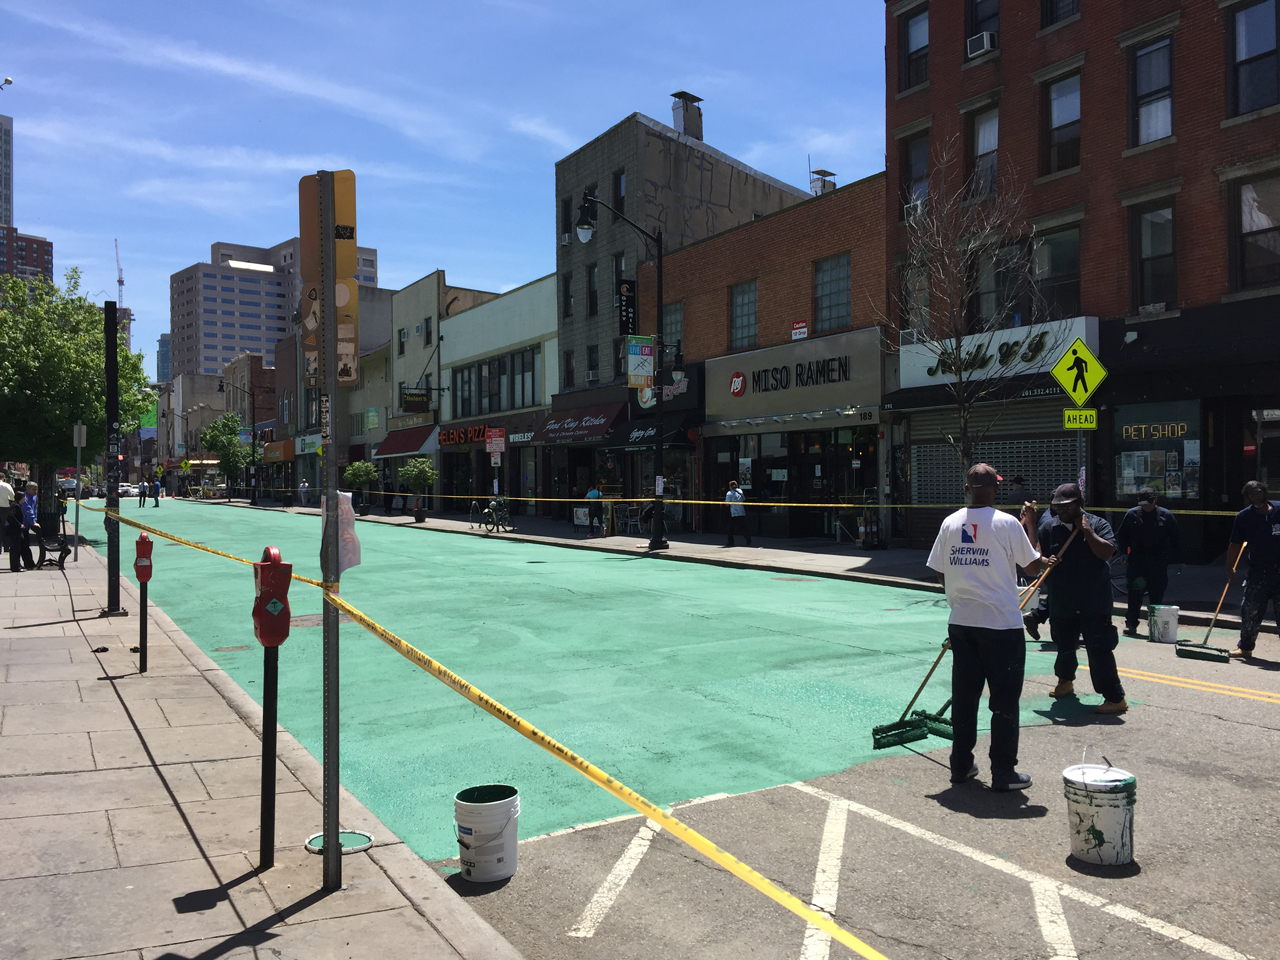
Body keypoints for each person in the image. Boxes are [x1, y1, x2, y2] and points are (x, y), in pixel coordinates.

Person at [927, 463, 1041, 790]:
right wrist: (1030, 526)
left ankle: (961, 766)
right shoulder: (1007, 524)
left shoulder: (950, 523)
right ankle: (1003, 772)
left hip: (962, 622)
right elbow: (1033, 567)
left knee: (965, 699)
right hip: (1001, 626)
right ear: (995, 489)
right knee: (1004, 702)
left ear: (967, 489)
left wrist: (962, 591)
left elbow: (940, 571)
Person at [1040, 483, 1128, 714]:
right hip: (1063, 601)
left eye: (1068, 506)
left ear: (1080, 503)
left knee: (1099, 651)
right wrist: (1044, 561)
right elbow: (1038, 555)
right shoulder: (1049, 528)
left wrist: (1087, 531)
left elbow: (1107, 552)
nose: (1062, 511)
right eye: (1058, 507)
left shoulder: (1099, 524)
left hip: (1093, 602)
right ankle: (1065, 682)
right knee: (1064, 647)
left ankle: (1115, 697)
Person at [1226, 480, 1280, 660]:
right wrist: (1230, 567)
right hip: (1258, 572)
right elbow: (1235, 544)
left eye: (1258, 492)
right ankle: (1246, 648)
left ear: (1265, 492)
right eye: (1251, 494)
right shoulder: (1244, 517)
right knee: (1250, 611)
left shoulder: (1279, 510)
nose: (1255, 497)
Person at [1116, 486, 1180, 637]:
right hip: (1137, 560)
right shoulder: (1132, 515)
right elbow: (1122, 536)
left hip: (1158, 560)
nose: (1146, 507)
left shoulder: (1166, 515)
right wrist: (1124, 552)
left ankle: (1156, 627)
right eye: (1143, 504)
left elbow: (1176, 539)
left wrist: (1178, 560)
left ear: (1155, 500)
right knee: (1135, 594)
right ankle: (1131, 624)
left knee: (1157, 594)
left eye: (1148, 504)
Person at [725, 480, 750, 547]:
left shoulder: (729, 493)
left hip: (734, 513)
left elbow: (727, 504)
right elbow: (743, 499)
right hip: (741, 511)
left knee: (730, 528)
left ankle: (731, 542)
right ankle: (747, 537)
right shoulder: (740, 491)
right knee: (742, 527)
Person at [0, 471, 13, 559]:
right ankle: (6, 546)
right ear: (3, 478)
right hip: (5, 508)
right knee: (5, 527)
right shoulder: (7, 485)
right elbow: (12, 496)